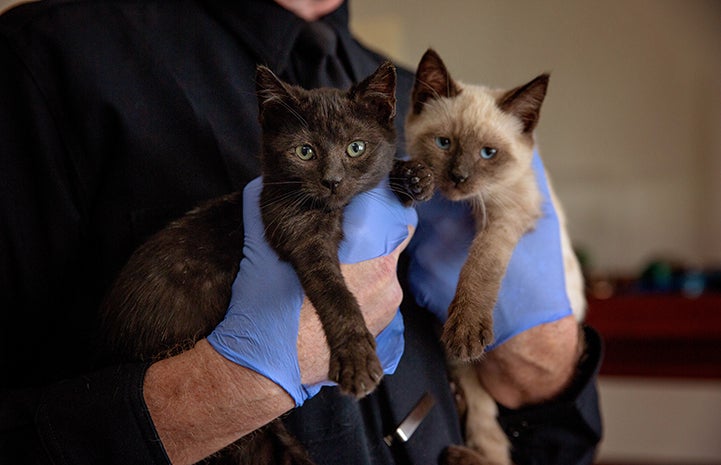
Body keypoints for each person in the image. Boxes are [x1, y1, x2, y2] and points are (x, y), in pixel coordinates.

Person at [0, 0, 603, 464]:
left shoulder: (416, 102)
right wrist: (226, 385)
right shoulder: (48, 60)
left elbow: (565, 449)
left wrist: (549, 359)